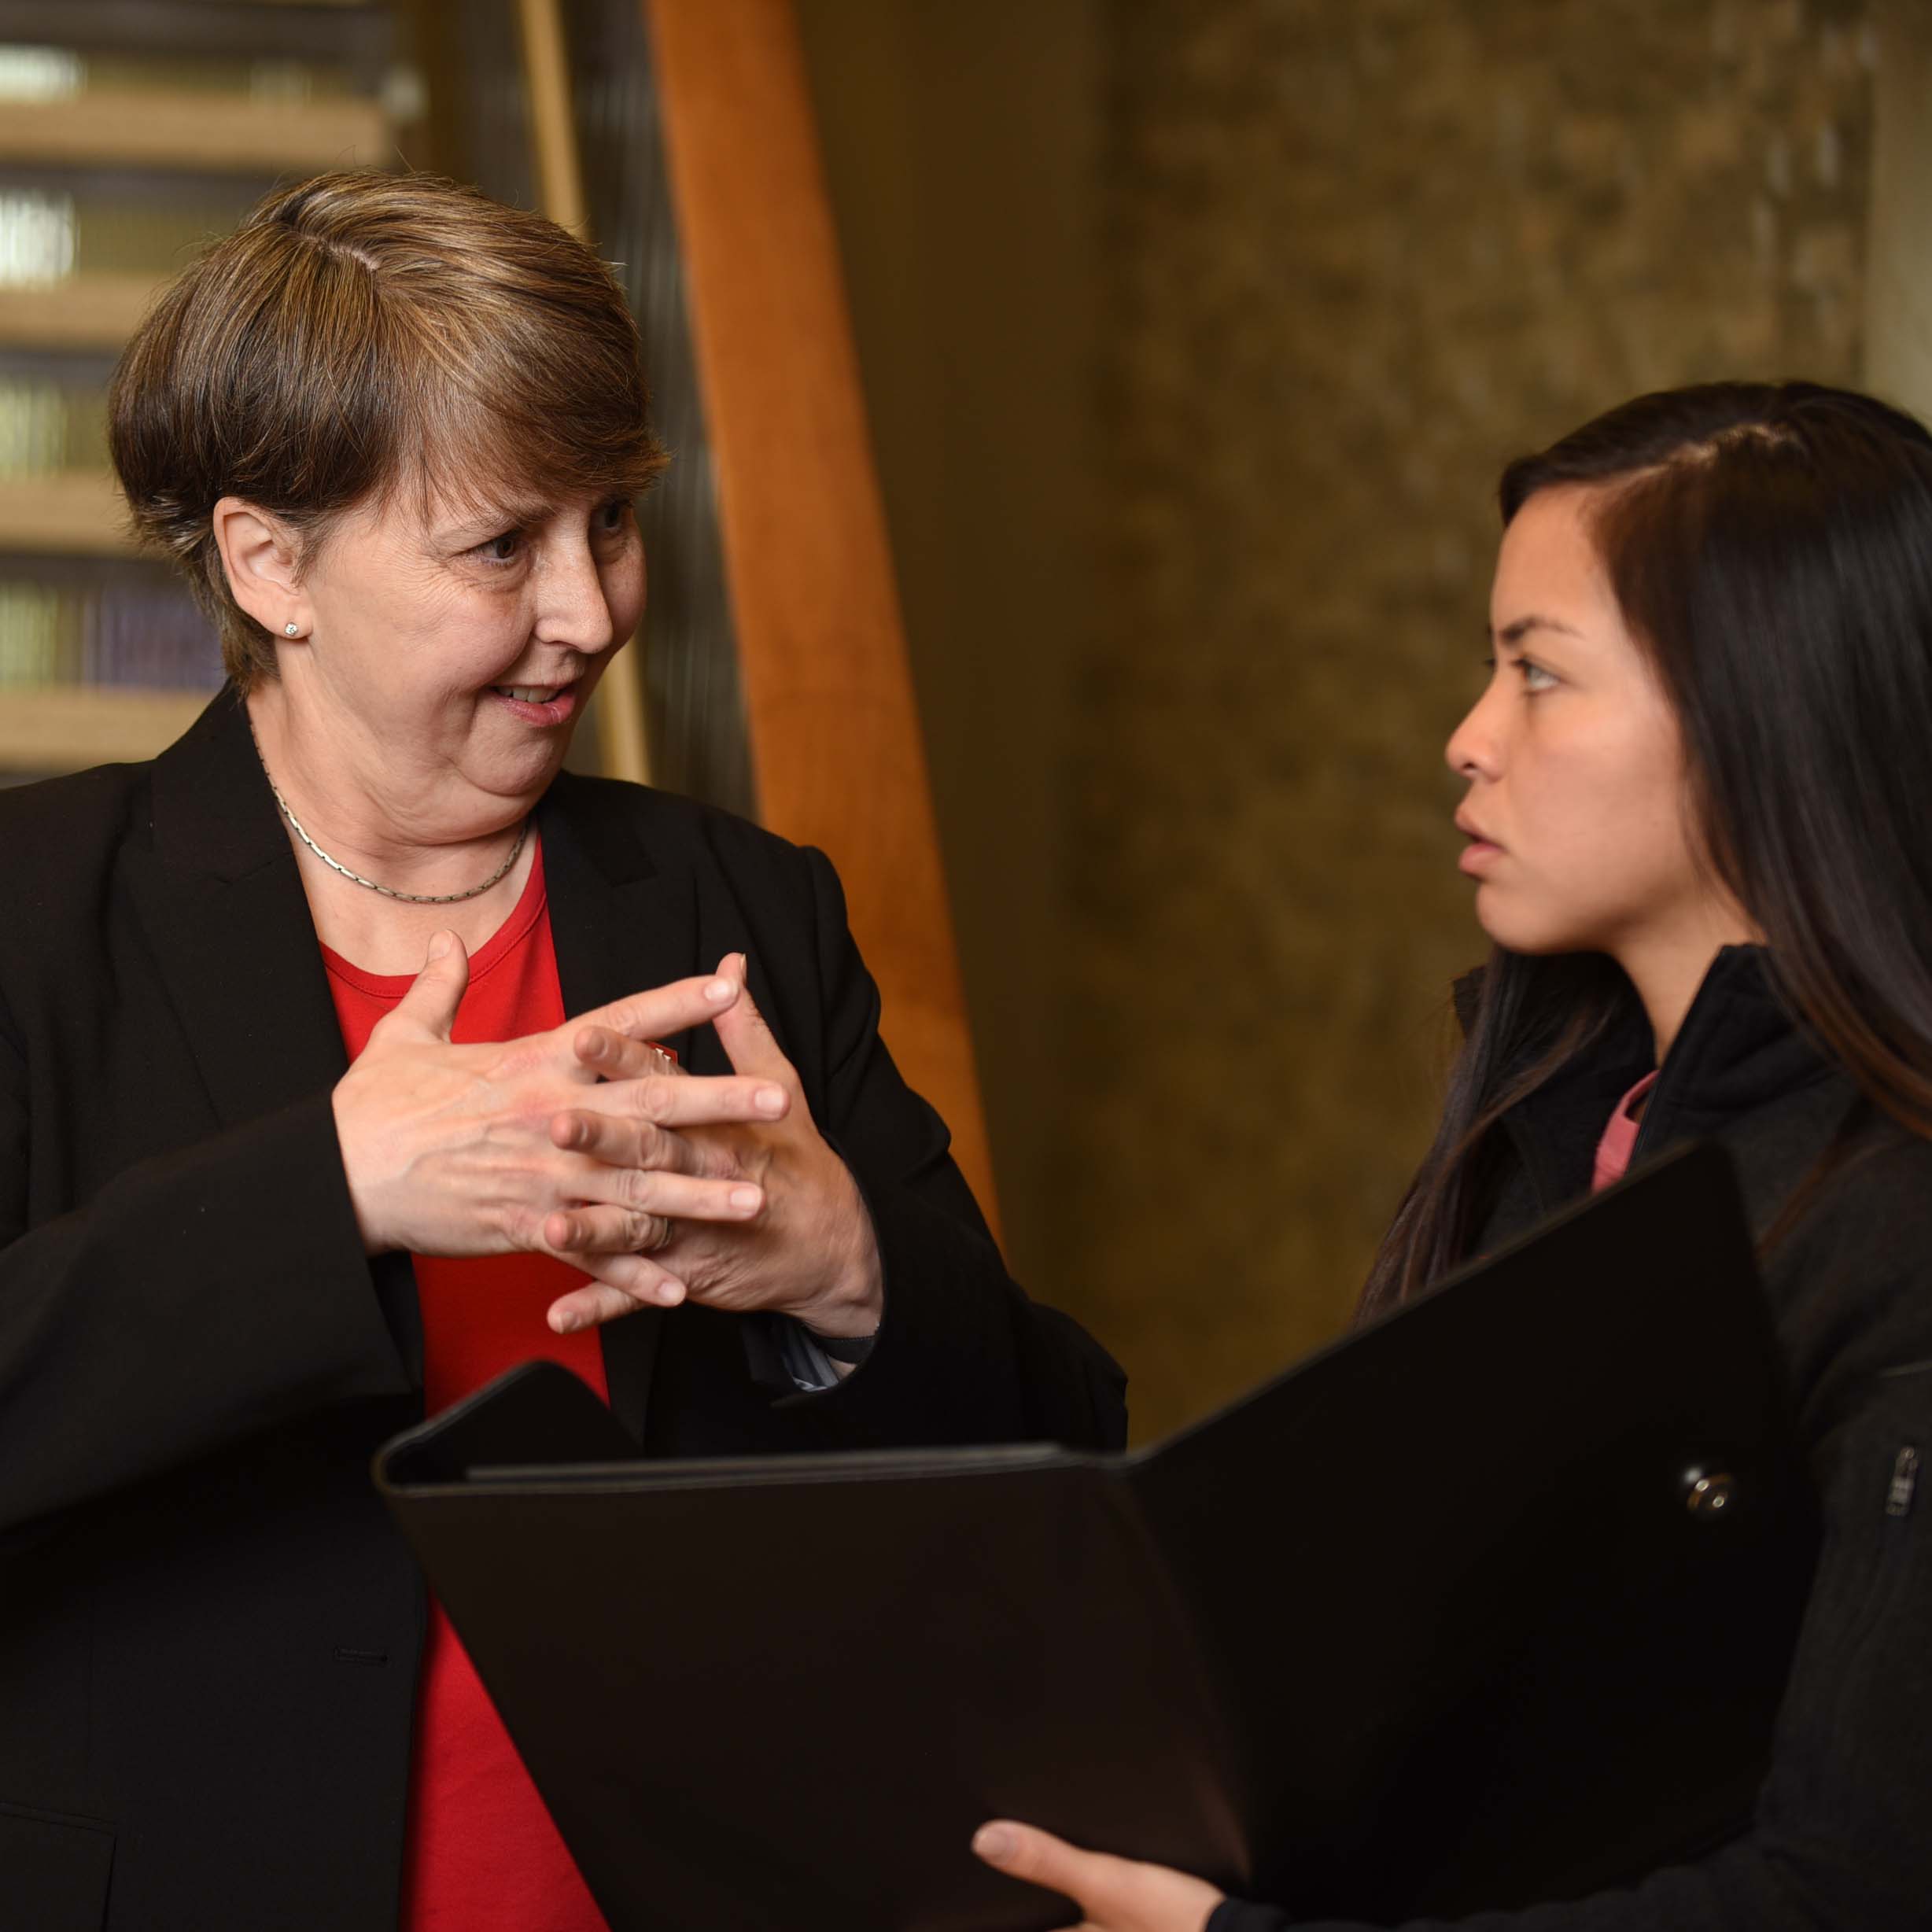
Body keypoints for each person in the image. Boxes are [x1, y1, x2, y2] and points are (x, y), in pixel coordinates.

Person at [0, 169, 1123, 1932]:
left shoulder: (732, 904)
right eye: (500, 546)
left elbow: (1052, 1467)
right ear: (267, 562)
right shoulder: (33, 918)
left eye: (610, 523)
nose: (593, 612)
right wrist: (333, 1187)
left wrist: (847, 1278)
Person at [973, 381, 1932, 1931]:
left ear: (1767, 715)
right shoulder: (1555, 1130)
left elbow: (1856, 1888)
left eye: (1537, 675)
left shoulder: (1895, 1227)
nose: (1466, 739)